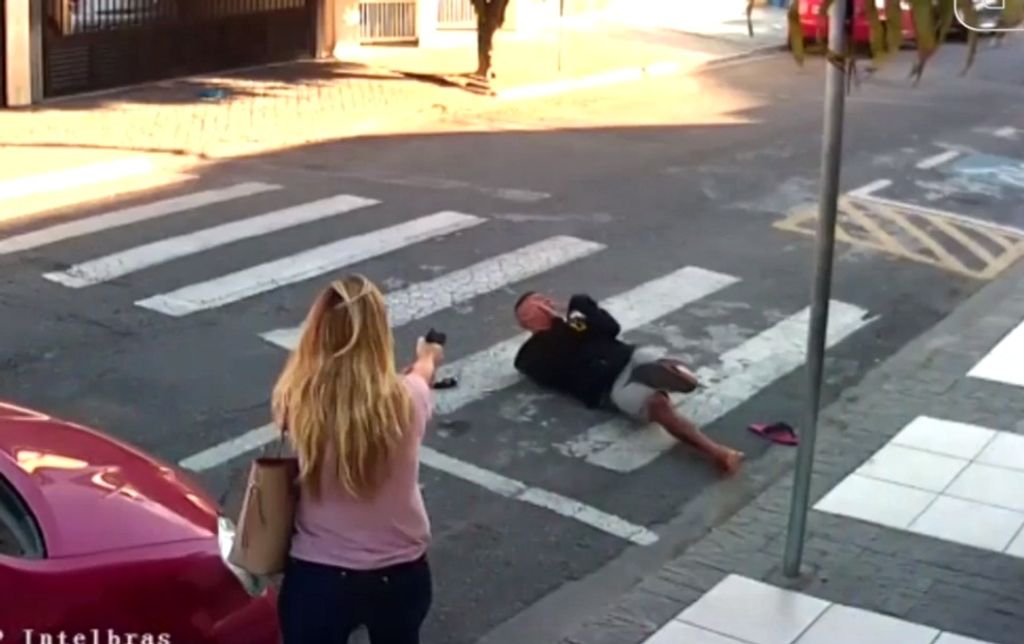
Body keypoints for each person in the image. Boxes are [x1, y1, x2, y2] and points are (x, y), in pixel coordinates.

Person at [272, 274, 444, 644]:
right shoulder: (408, 397)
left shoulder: (297, 395)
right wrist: (427, 357)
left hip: (320, 573)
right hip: (400, 568)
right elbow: (421, 378)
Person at [512, 291, 743, 474]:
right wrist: (554, 327)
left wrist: (579, 307)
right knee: (658, 407)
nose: (542, 305)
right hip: (609, 386)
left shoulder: (575, 322)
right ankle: (718, 453)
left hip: (629, 357)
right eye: (532, 307)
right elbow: (555, 367)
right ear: (524, 323)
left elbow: (610, 329)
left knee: (656, 365)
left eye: (543, 299)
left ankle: (673, 376)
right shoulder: (530, 356)